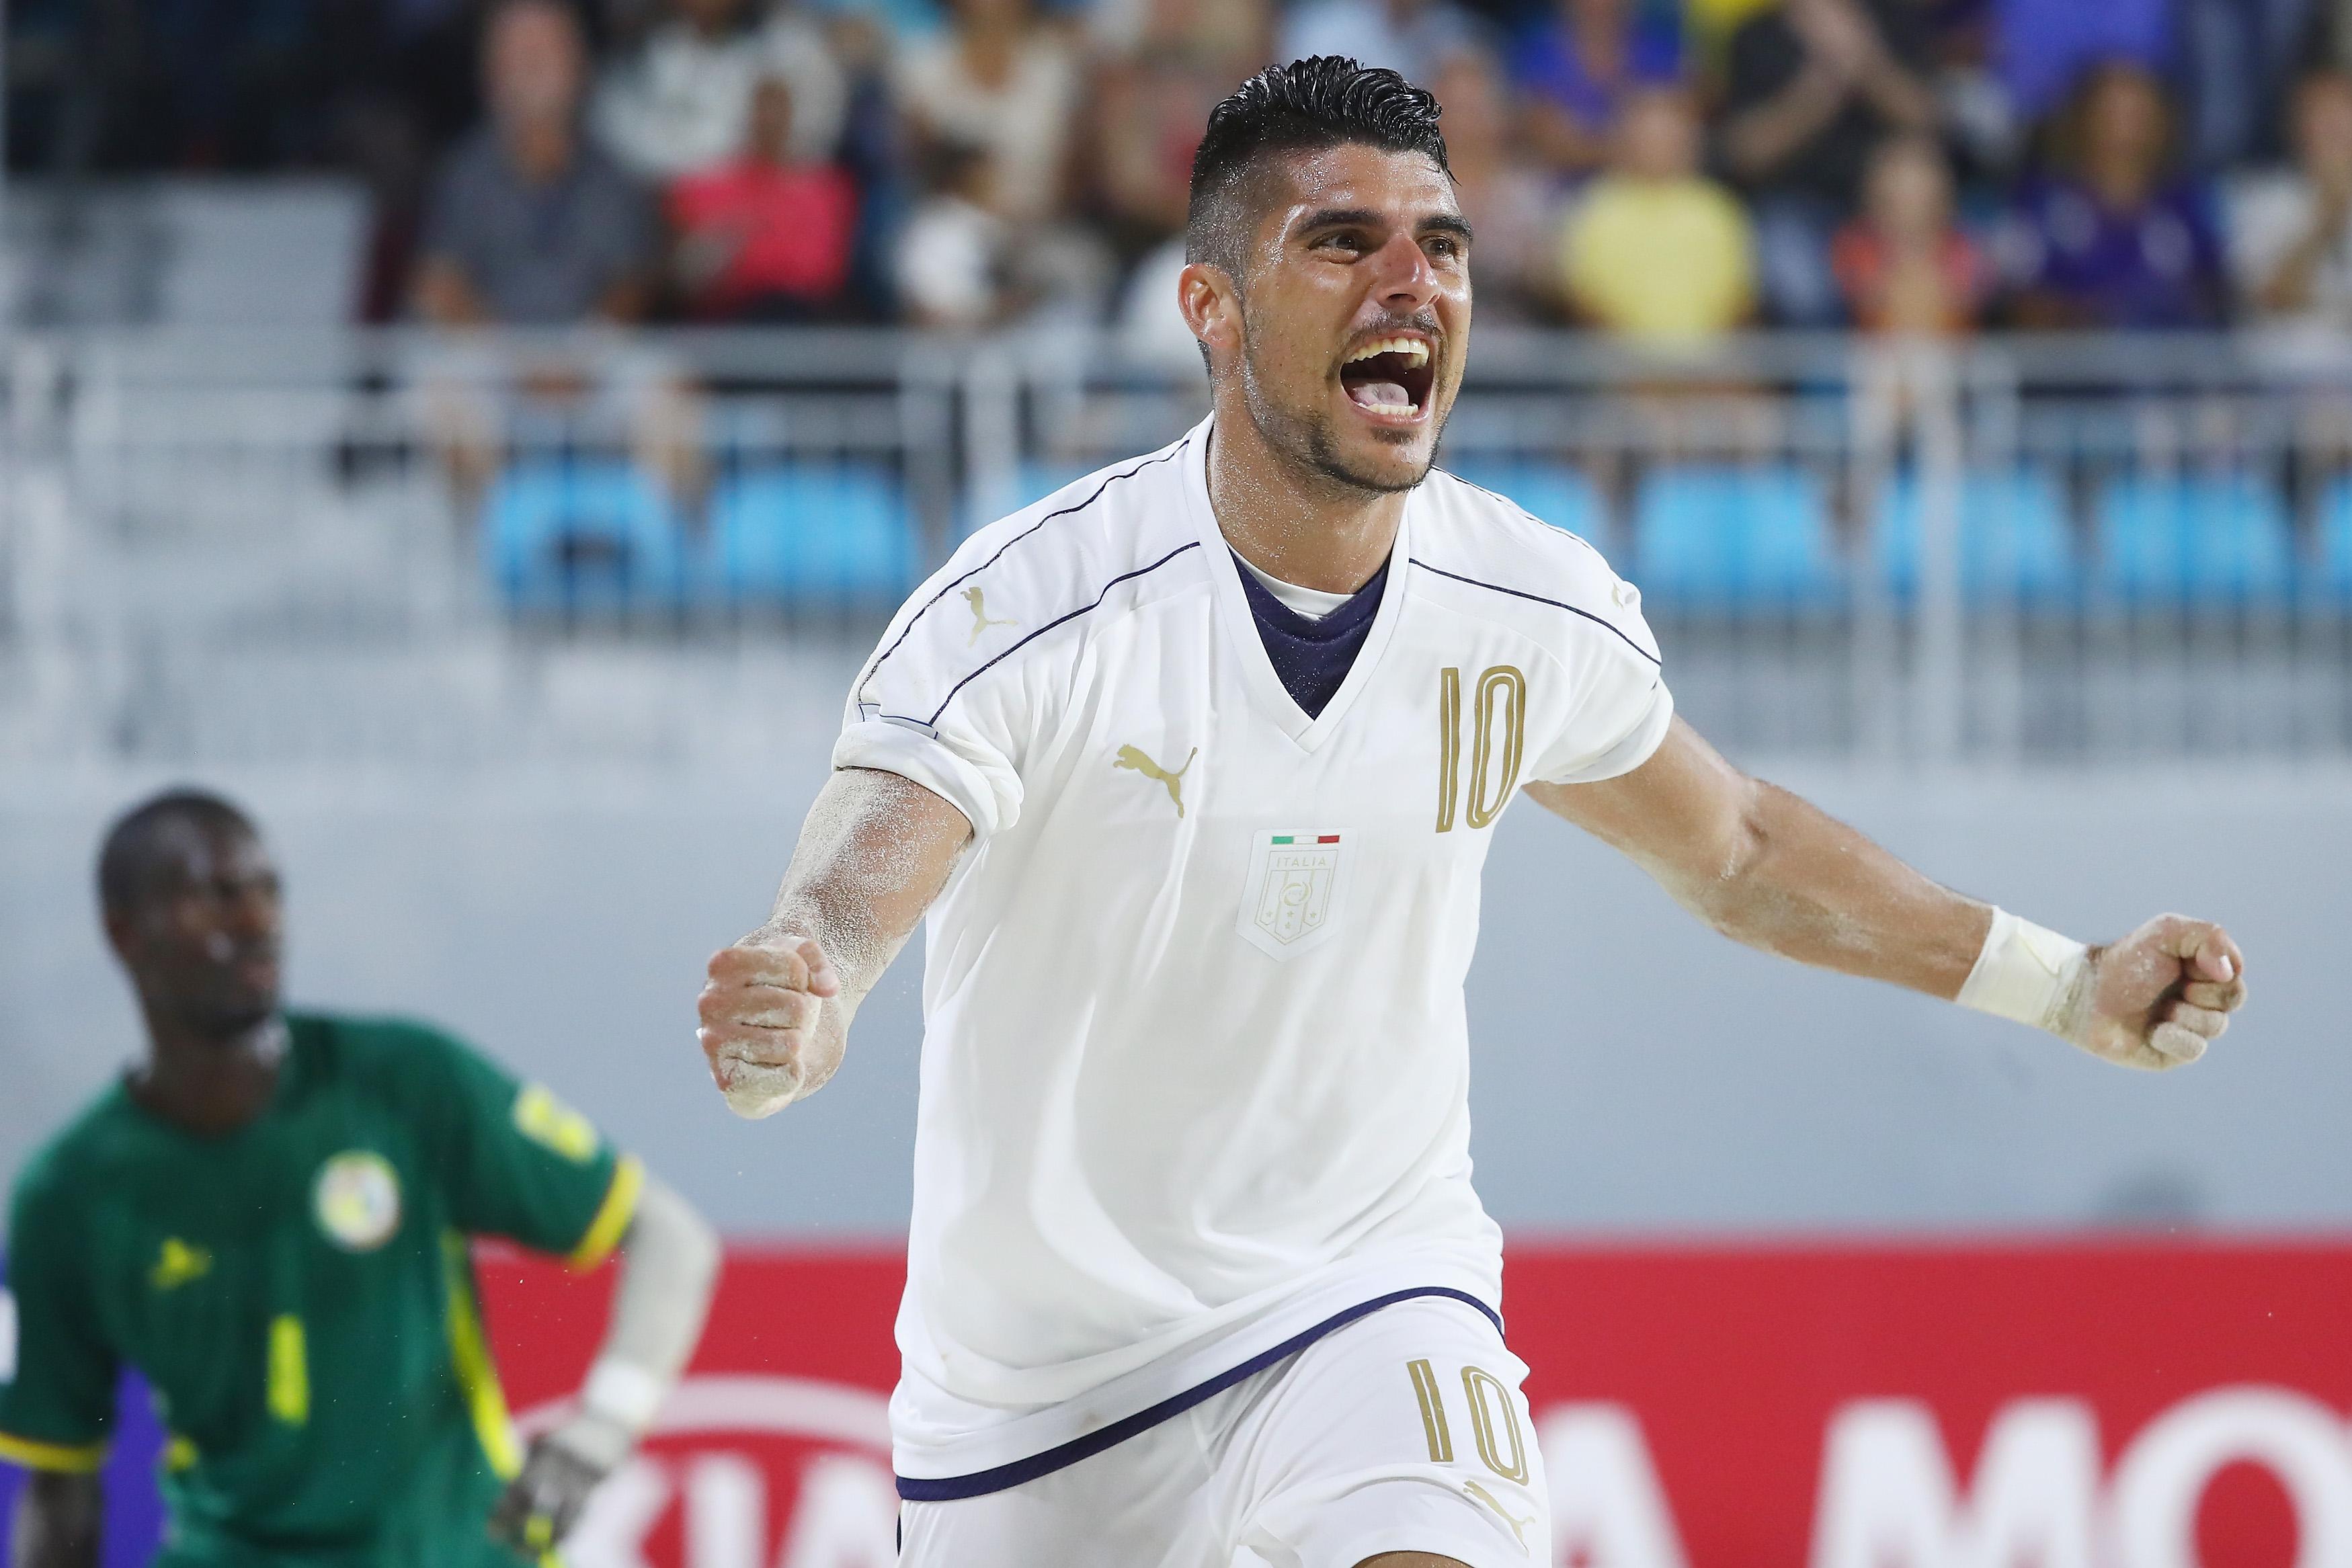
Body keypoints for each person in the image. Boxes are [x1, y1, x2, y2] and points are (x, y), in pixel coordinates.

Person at [694, 57, 2248, 1568]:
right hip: (1034, 1395)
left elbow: (1741, 852)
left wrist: (2062, 979)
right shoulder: (1028, 611)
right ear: (1208, 308)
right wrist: (810, 985)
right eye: (1338, 241)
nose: (1409, 281)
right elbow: (855, 880)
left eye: (1438, 243)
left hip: (1364, 1295)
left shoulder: (1525, 602)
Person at [2, 790, 721, 1568]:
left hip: (457, 1552)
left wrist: (601, 1429)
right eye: (213, 895)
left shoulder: (405, 1079)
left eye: (266, 889)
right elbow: (61, 1484)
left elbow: (668, 1233)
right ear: (125, 931)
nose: (255, 920)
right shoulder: (66, 1196)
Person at [1718, 0, 1937, 325]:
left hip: (1884, 210)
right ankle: (1823, 377)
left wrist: (1865, 60)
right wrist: (1822, 84)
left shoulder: (1891, 19)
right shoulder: (1755, 35)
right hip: (1791, 205)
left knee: (1916, 291)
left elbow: (1927, 119)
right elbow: (1744, 153)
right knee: (1801, 290)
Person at [1999, 60, 2226, 330]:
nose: (2126, 128)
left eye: (2139, 112)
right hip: (2071, 365)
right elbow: (2022, 304)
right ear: (2084, 118)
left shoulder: (2183, 205)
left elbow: (2213, 299)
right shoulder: (2043, 204)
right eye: (2113, 111)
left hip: (2169, 363)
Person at [1562, 85, 1756, 341]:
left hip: (1709, 370)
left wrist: (1705, 370)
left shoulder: (1718, 208)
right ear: (1625, 140)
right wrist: (1634, 367)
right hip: (1616, 367)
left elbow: (1739, 303)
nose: (1659, 145)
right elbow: (1581, 303)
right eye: (1648, 136)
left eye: (1669, 135)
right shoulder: (1592, 209)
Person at [668, 75, 860, 320]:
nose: (769, 121)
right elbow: (683, 279)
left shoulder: (825, 192)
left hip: (800, 324)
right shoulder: (703, 190)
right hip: (727, 325)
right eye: (761, 110)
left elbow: (824, 274)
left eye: (778, 111)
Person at [592, 0, 845, 185]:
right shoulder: (631, 48)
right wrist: (740, 141)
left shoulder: (792, 41)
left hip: (776, 214)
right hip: (660, 213)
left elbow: (814, 137)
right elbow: (626, 148)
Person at [2228, 67, 2352, 333]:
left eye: (2342, 115)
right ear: (2298, 127)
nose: (2335, 129)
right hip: (2283, 370)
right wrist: (2325, 222)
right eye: (2322, 117)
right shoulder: (2260, 198)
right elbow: (2270, 298)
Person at [1831, 134, 1986, 333]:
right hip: (1874, 353)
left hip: (1951, 352)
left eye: (1918, 185)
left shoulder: (1964, 244)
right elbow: (1865, 298)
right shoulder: (1854, 244)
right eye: (1900, 186)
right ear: (1878, 192)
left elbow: (1966, 299)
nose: (1909, 197)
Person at [1510, 0, 1684, 175]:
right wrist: (1629, 146)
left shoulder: (1658, 49)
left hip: (1646, 183)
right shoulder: (1539, 50)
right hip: (1557, 186)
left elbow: (1675, 128)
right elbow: (1546, 139)